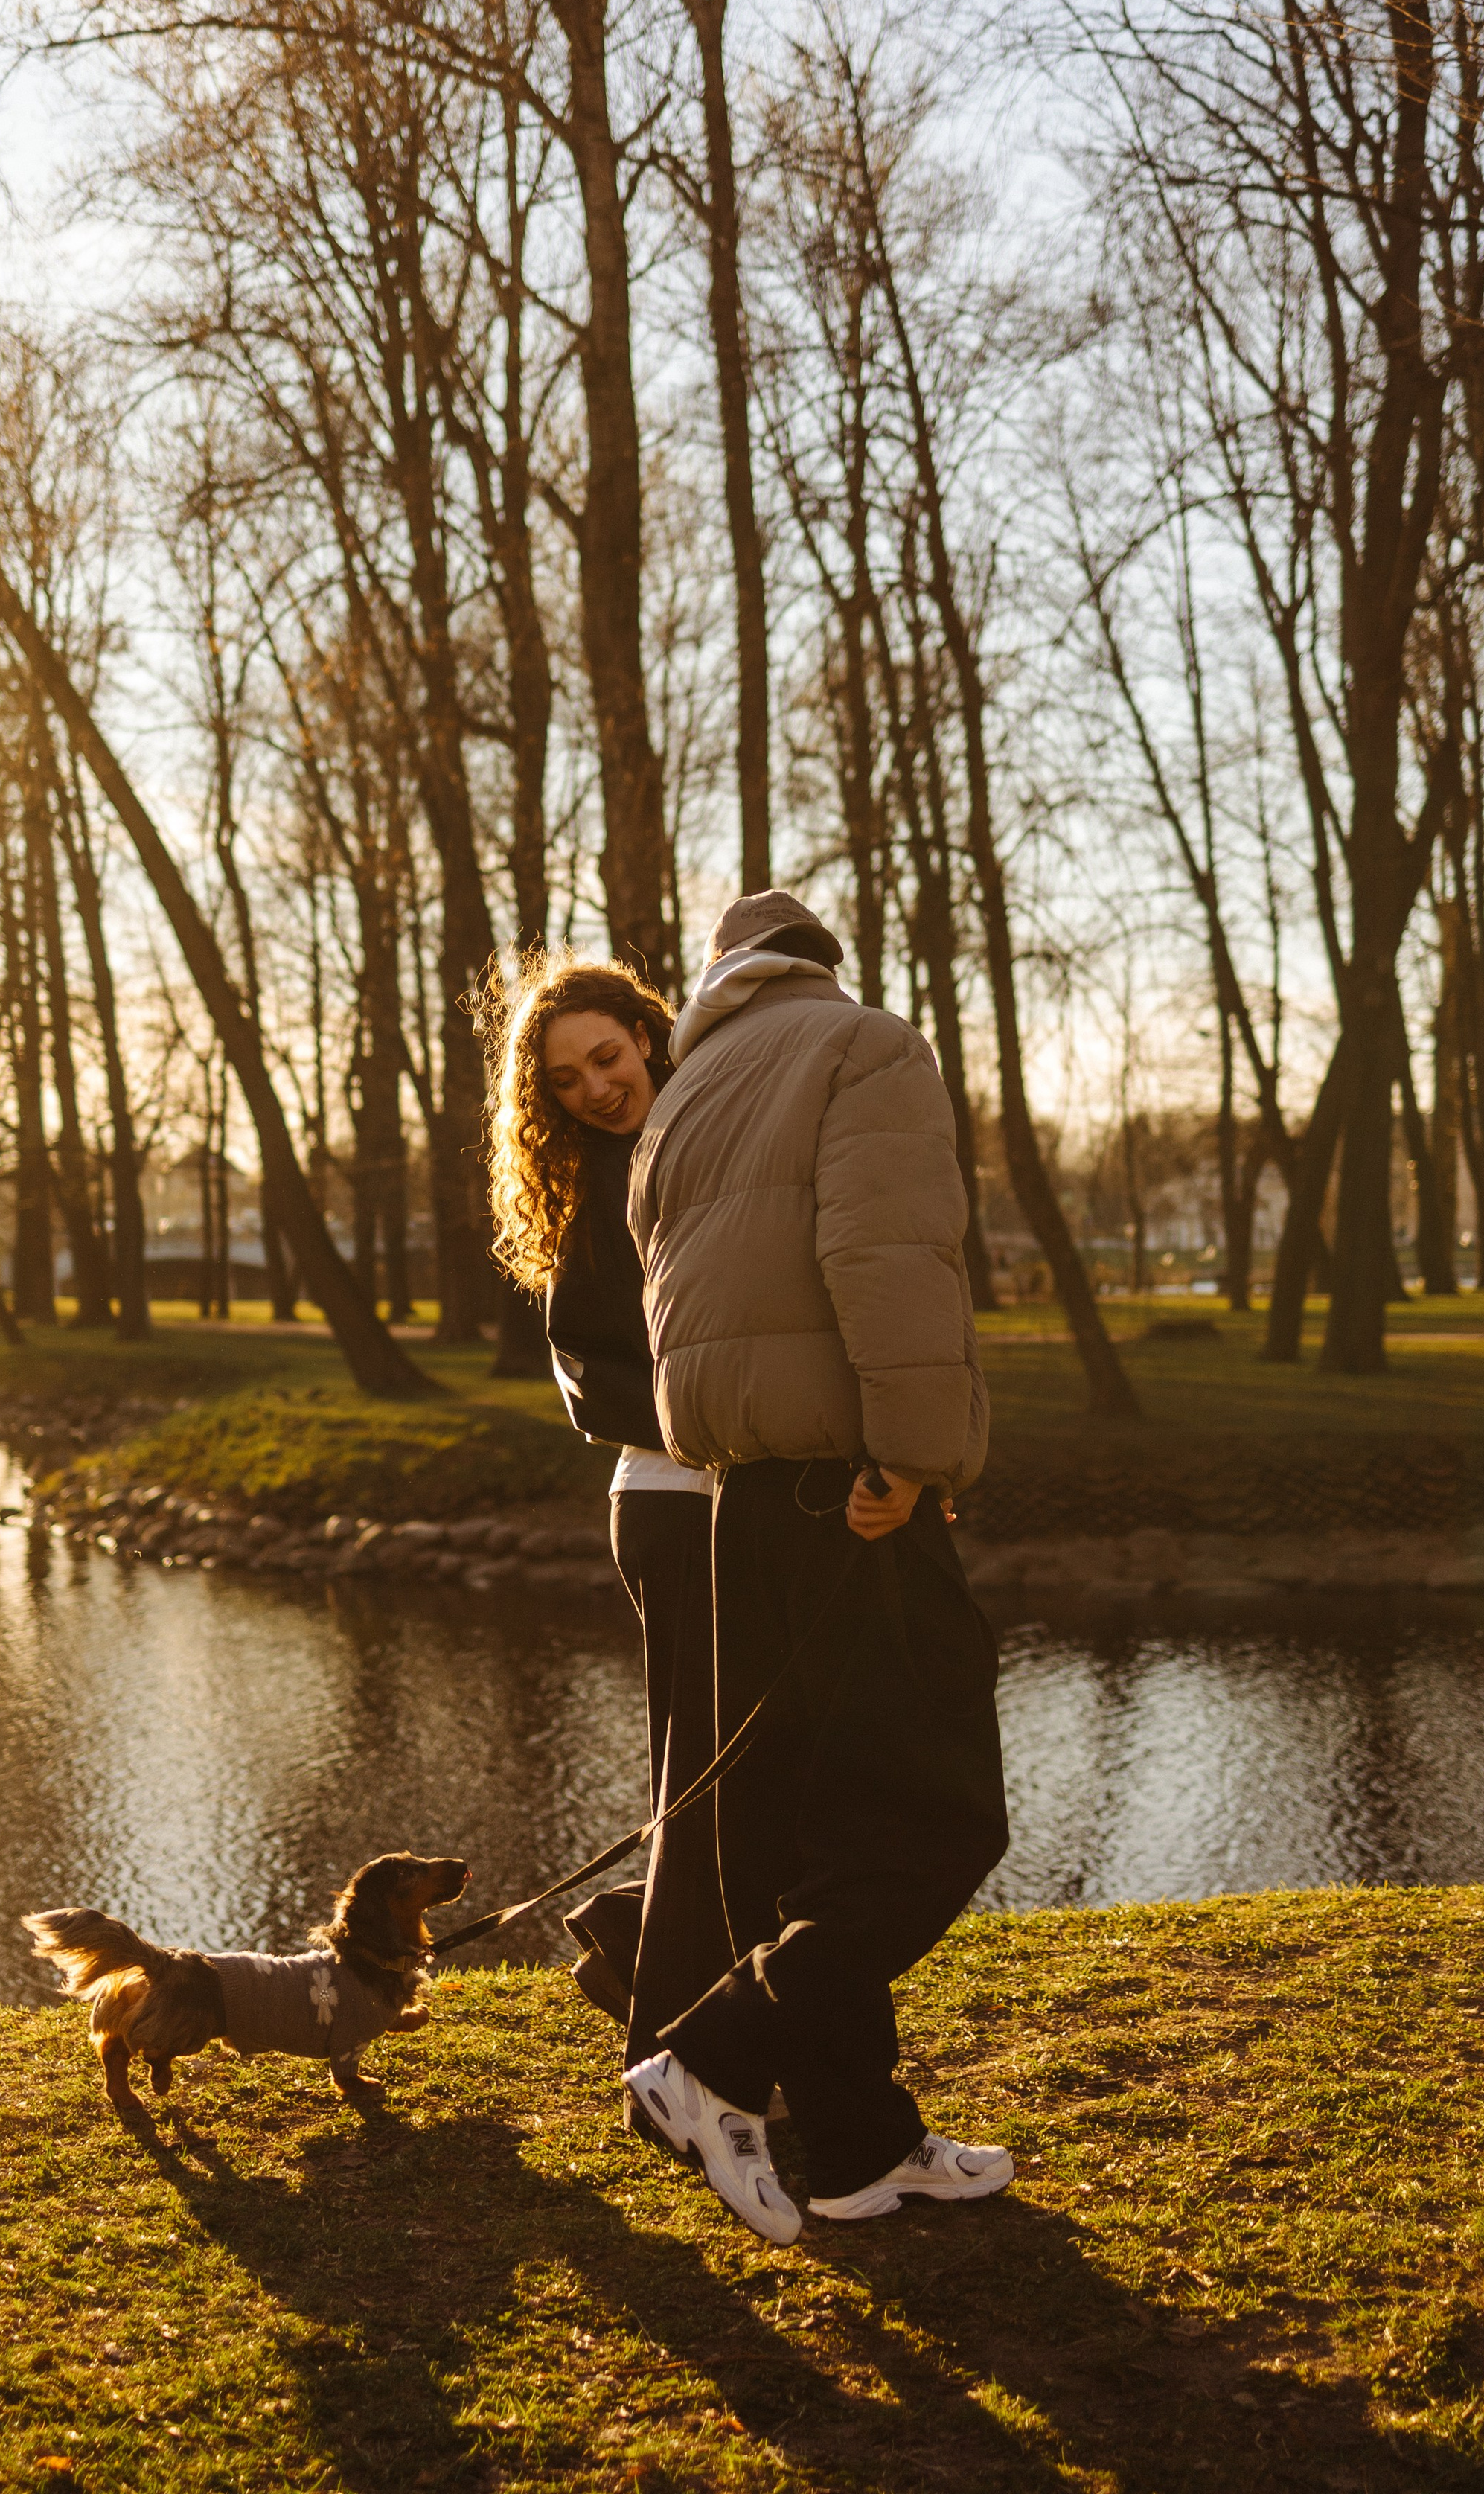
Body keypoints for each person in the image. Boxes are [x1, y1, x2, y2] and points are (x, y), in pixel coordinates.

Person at [622, 889, 1012, 2248]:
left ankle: (859, 2147)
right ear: (820, 966)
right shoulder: (863, 1047)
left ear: (721, 980)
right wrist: (910, 1456)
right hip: (848, 1497)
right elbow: (888, 1255)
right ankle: (711, 2055)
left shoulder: (685, 1091)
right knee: (940, 1816)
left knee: (806, 1845)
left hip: (734, 1499)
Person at [484, 956, 729, 2067]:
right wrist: (716, 1427)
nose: (596, 1086)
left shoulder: (715, 1129)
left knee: (760, 1782)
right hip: (677, 1505)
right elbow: (585, 1372)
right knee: (700, 1782)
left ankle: (638, 1950)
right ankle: (663, 2038)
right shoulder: (591, 1185)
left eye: (607, 1056)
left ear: (648, 1033)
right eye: (566, 1079)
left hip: (759, 1500)